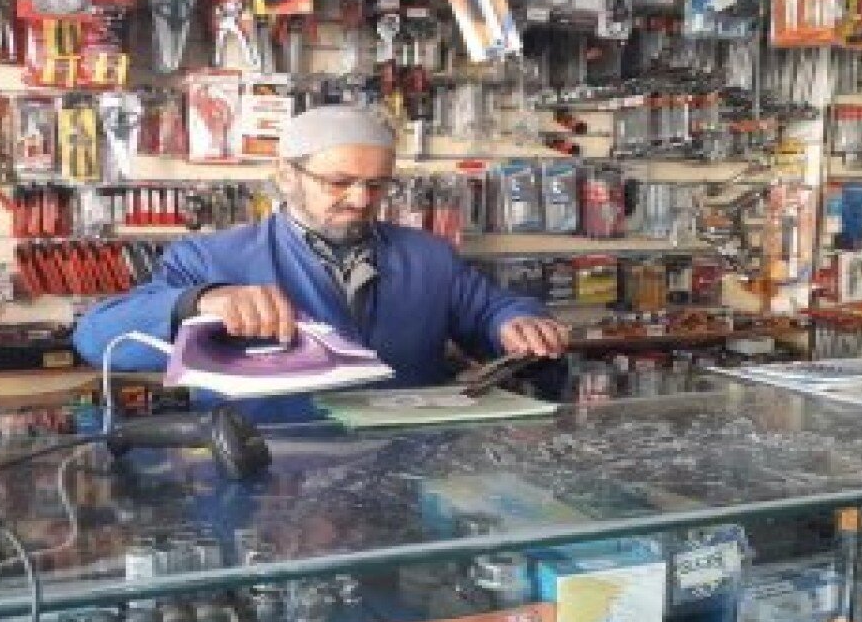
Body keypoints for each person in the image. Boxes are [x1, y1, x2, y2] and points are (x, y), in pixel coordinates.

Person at [73, 105, 569, 423]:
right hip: (269, 480)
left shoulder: (428, 256)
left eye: (377, 185)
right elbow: (97, 340)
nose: (361, 199)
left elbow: (491, 311)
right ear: (286, 175)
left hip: (405, 475)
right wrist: (199, 303)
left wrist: (517, 323)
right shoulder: (209, 258)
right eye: (339, 182)